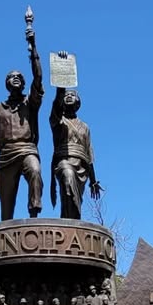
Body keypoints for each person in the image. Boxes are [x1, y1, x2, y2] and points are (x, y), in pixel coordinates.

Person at [0, 10, 44, 219]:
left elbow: (38, 78)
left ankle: (34, 216)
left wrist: (33, 49)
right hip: (5, 157)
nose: (16, 78)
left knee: (35, 172)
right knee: (6, 213)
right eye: (11, 77)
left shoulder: (31, 102)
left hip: (27, 149)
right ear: (6, 83)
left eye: (19, 77)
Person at [49, 83, 102, 220]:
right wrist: (61, 84)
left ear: (78, 102)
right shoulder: (58, 120)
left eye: (72, 95)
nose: (69, 97)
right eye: (66, 95)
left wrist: (93, 181)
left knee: (75, 199)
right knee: (68, 179)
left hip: (82, 167)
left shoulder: (85, 127)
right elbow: (56, 104)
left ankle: (71, 223)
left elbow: (89, 155)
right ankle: (70, 225)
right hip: (63, 162)